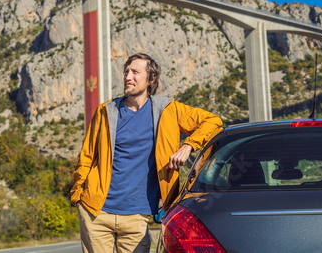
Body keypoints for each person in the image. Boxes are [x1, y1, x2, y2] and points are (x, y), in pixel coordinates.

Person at [70, 53, 223, 253]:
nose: (127, 77)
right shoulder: (106, 111)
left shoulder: (168, 110)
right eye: (126, 72)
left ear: (151, 79)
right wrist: (78, 195)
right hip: (96, 212)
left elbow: (213, 121)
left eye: (135, 72)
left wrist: (188, 146)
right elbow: (87, 157)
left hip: (137, 217)